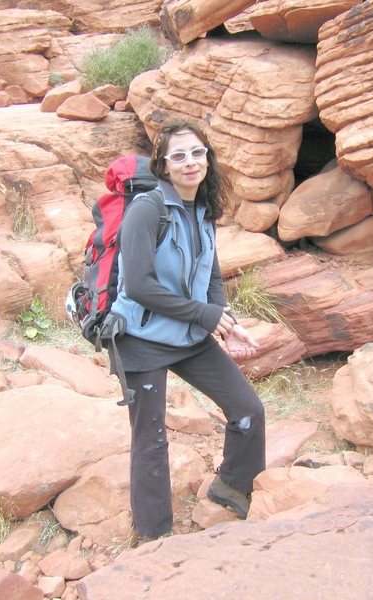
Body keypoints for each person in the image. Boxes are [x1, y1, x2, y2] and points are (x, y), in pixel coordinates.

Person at [109, 120, 266, 542]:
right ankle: (154, 536)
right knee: (151, 439)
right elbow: (139, 285)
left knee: (249, 409)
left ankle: (232, 488)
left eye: (197, 152)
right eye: (178, 155)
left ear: (208, 157)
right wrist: (205, 316)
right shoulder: (148, 208)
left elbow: (210, 274)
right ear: (163, 164)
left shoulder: (203, 208)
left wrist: (223, 322)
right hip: (140, 338)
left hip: (190, 334)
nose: (190, 162)